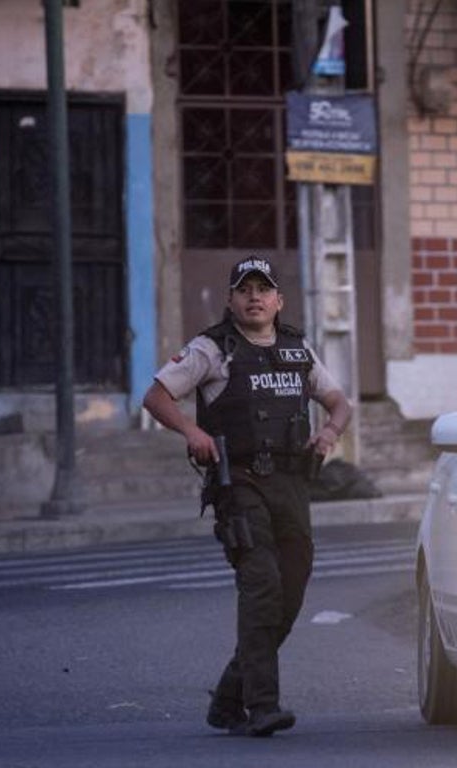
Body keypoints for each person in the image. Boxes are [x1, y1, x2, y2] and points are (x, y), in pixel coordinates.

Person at [142, 256, 353, 737]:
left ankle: (228, 698)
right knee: (262, 586)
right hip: (239, 485)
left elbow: (339, 402)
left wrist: (330, 433)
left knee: (291, 594)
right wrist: (191, 431)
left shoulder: (297, 348)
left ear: (278, 300)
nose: (254, 297)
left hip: (292, 484)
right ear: (230, 299)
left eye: (263, 289)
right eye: (244, 289)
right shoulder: (211, 350)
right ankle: (262, 706)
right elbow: (156, 396)